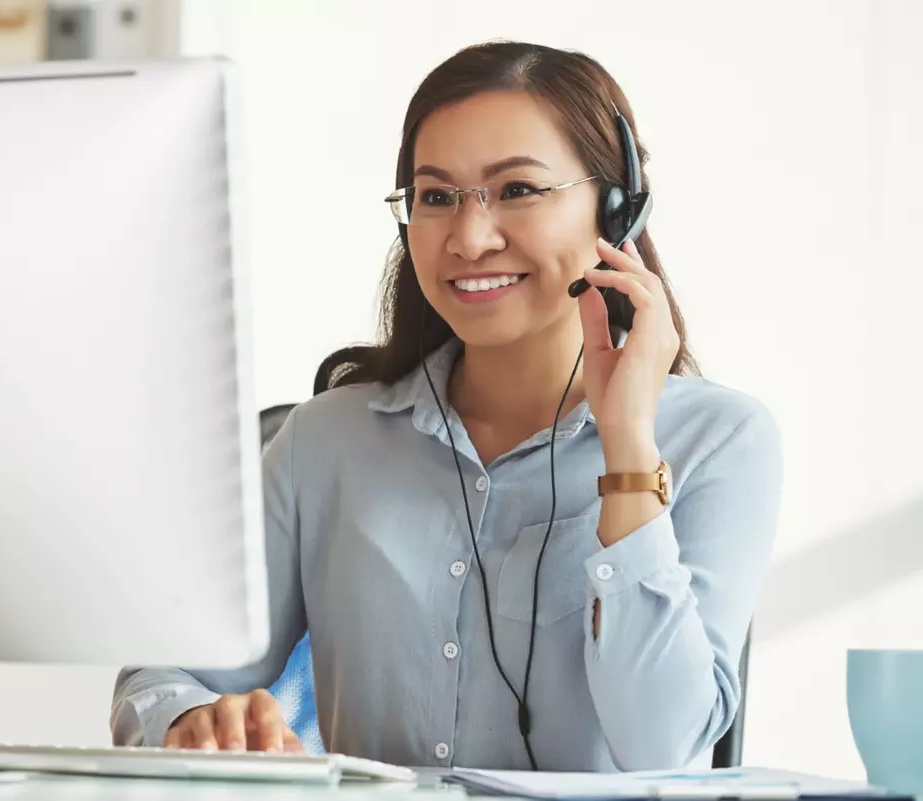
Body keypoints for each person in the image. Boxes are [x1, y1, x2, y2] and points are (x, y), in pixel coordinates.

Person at [111, 40, 782, 772]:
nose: (469, 237)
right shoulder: (323, 443)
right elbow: (159, 678)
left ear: (614, 209)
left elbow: (663, 749)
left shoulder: (719, 442)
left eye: (518, 189)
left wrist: (627, 451)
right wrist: (195, 719)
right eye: (436, 197)